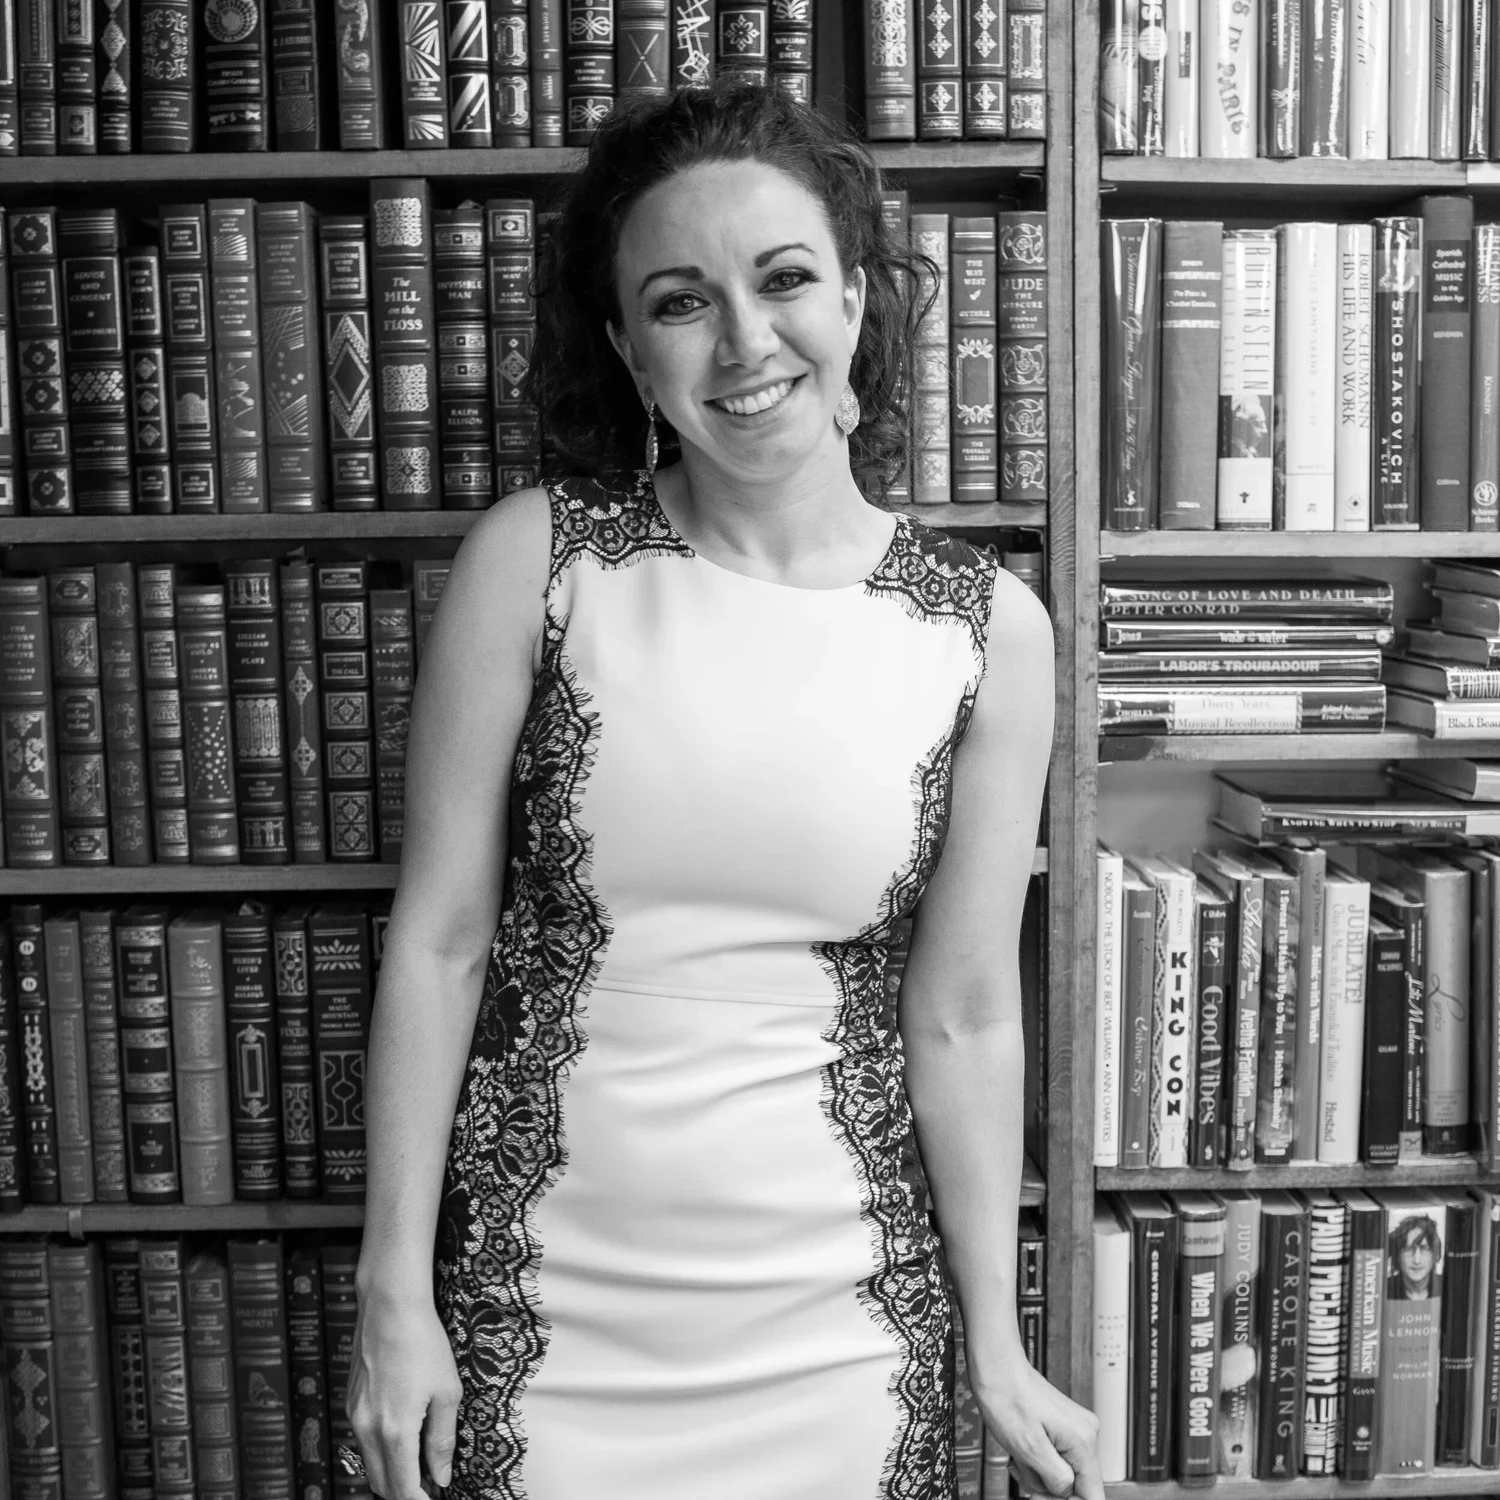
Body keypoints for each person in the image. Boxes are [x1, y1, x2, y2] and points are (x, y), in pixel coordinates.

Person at [346, 84, 1100, 1500]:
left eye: (786, 279)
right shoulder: (538, 563)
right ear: (630, 352)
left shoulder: (987, 629)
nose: (747, 341)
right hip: (547, 1316)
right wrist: (394, 1294)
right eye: (683, 302)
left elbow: (965, 1012)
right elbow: (440, 944)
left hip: (843, 1335)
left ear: (857, 300)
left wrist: (997, 1347)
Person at [1387, 1215, 1442, 1302]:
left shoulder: (1448, 1286)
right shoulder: (1383, 1289)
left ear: (1434, 1254)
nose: (1417, 1260)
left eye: (1424, 1249)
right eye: (1408, 1249)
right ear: (1397, 1256)